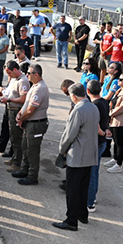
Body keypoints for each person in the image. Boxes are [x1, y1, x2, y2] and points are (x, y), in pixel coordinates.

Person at [53, 83, 99, 231]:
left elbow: (69, 135)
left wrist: (62, 150)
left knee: (72, 189)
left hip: (77, 155)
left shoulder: (78, 110)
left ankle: (71, 220)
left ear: (73, 96)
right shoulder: (93, 107)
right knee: (83, 187)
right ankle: (82, 214)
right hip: (90, 155)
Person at [11, 64, 50, 185]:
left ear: (36, 74)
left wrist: (21, 118)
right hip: (30, 123)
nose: (27, 75)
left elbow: (30, 110)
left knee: (32, 151)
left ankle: (32, 176)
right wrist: (20, 114)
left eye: (29, 73)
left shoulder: (40, 88)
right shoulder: (35, 86)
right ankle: (25, 170)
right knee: (25, 147)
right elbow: (27, 104)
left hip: (36, 124)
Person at [0, 61, 30, 167]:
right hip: (10, 108)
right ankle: (15, 157)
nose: (8, 75)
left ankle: (17, 162)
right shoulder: (14, 79)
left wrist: (9, 100)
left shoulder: (23, 81)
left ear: (15, 69)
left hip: (16, 110)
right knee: (12, 136)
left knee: (17, 137)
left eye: (9, 72)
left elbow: (23, 99)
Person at [86, 80, 109, 213]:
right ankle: (92, 198)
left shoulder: (94, 105)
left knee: (91, 173)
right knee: (95, 171)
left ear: (88, 91)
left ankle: (90, 202)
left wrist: (102, 133)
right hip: (101, 142)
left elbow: (96, 126)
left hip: (96, 142)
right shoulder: (104, 102)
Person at [104, 74, 123, 174]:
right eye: (119, 79)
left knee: (119, 142)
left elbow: (122, 108)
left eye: (122, 80)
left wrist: (110, 113)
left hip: (121, 121)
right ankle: (115, 158)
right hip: (114, 120)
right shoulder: (119, 91)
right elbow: (112, 102)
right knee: (115, 140)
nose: (119, 81)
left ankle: (119, 164)